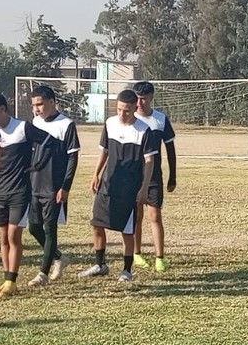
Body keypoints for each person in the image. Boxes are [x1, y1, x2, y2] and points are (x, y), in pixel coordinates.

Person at [80, 90, 157, 282]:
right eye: (120, 109)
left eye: (127, 111)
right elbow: (104, 151)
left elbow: (149, 162)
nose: (123, 114)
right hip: (108, 184)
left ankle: (127, 269)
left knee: (126, 231)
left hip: (129, 189)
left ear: (134, 109)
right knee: (97, 224)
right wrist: (96, 174)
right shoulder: (110, 124)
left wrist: (144, 188)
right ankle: (100, 264)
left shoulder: (143, 131)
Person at [25, 85, 79, 286]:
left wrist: (65, 187)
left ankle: (43, 273)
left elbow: (72, 158)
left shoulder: (66, 125)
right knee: (33, 228)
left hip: (54, 186)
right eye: (33, 105)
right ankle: (59, 257)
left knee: (50, 228)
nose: (36, 109)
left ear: (52, 102)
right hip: (35, 183)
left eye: (39, 104)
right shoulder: (35, 122)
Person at [0, 92, 32, 297]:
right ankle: (6, 281)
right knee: (3, 236)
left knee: (14, 236)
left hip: (20, 191)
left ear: (3, 109)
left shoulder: (22, 128)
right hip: (0, 191)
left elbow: (47, 143)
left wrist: (36, 166)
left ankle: (12, 280)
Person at [131, 81, 177, 273]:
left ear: (151, 98)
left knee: (155, 216)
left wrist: (173, 176)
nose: (139, 103)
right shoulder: (129, 119)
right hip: (133, 176)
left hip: (154, 177)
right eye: (137, 98)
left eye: (143, 99)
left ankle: (160, 258)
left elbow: (170, 149)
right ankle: (136, 253)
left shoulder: (160, 119)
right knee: (136, 217)